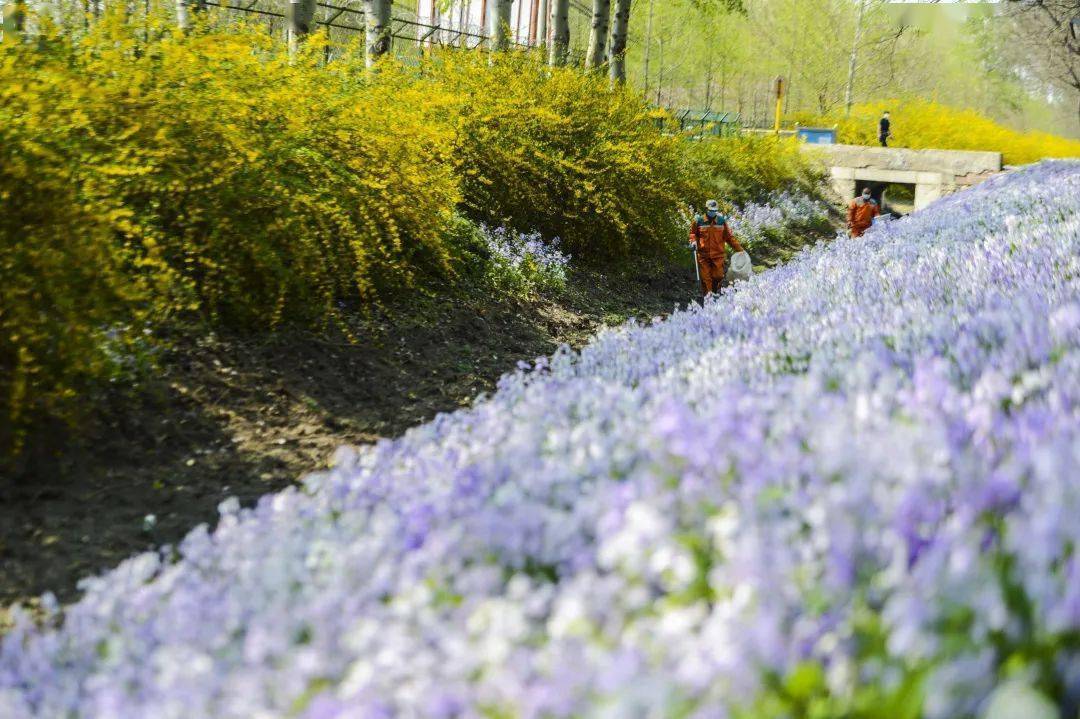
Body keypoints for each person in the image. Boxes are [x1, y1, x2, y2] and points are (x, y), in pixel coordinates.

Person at [689, 199, 743, 298]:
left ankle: (714, 294)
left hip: (718, 256)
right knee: (706, 279)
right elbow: (693, 234)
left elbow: (729, 238)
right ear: (706, 209)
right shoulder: (698, 221)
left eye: (715, 210)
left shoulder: (721, 221)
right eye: (711, 210)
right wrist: (693, 241)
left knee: (718, 277)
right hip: (703, 256)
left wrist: (740, 250)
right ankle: (708, 301)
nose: (713, 212)